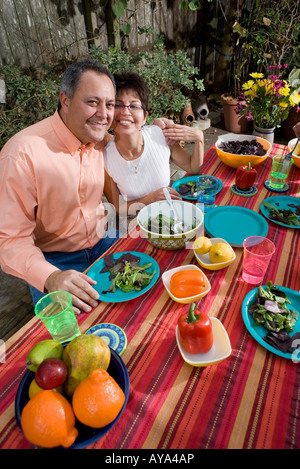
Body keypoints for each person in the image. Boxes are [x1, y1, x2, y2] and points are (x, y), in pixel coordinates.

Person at [0, 59, 121, 314]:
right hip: (55, 260)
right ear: (65, 101)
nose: (104, 114)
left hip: (104, 240)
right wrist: (51, 277)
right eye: (92, 102)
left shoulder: (99, 137)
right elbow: (10, 241)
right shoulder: (22, 154)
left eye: (109, 104)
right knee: (72, 342)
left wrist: (156, 131)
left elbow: (133, 142)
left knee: (151, 290)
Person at [103, 71, 204, 217]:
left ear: (145, 117)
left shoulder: (160, 135)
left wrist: (199, 139)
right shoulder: (105, 159)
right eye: (118, 105)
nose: (126, 112)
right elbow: (119, 208)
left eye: (134, 106)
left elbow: (193, 167)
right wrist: (149, 199)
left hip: (170, 217)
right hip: (136, 225)